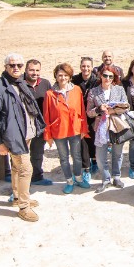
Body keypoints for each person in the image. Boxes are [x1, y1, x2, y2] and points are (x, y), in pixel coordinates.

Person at [0, 53, 46, 222]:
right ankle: (24, 207)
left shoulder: (20, 83)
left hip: (25, 134)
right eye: (12, 65)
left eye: (19, 65)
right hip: (13, 137)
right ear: (5, 67)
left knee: (17, 168)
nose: (16, 68)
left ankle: (18, 197)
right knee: (26, 169)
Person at [43, 63, 90, 194]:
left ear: (69, 77)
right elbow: (46, 115)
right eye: (60, 75)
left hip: (75, 129)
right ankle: (69, 181)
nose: (63, 78)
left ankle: (79, 178)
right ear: (56, 77)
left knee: (77, 156)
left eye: (65, 75)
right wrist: (48, 135)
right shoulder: (50, 94)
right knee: (64, 158)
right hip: (59, 131)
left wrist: (83, 129)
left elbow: (82, 110)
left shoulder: (76, 90)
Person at [86, 65, 129, 193]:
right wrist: (99, 109)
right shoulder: (93, 91)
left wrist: (115, 109)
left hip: (117, 125)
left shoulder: (119, 89)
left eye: (111, 76)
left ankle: (116, 177)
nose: (108, 78)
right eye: (105, 75)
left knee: (117, 153)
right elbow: (88, 112)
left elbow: (127, 106)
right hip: (101, 127)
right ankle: (105, 179)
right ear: (100, 76)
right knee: (100, 156)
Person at [24, 59, 53, 186]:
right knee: (22, 155)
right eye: (31, 70)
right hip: (24, 125)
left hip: (40, 125)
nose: (34, 73)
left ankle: (36, 176)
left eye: (37, 70)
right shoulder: (19, 84)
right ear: (26, 70)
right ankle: (22, 180)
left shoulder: (45, 83)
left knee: (37, 153)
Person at [72, 56, 99, 181]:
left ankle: (94, 161)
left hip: (92, 114)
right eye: (83, 66)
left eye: (88, 66)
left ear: (92, 67)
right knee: (82, 141)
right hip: (78, 115)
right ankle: (86, 167)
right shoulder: (75, 80)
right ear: (80, 67)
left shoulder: (97, 80)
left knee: (93, 139)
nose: (86, 68)